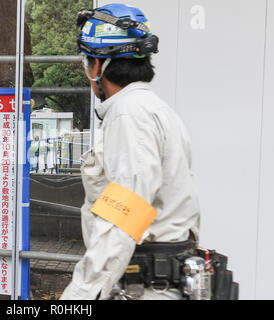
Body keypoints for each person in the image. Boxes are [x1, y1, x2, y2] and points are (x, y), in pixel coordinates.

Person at [60, 3, 201, 300]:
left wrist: (79, 296)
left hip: (148, 287)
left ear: (98, 65)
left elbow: (124, 215)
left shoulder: (129, 115)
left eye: (88, 62)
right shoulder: (155, 109)